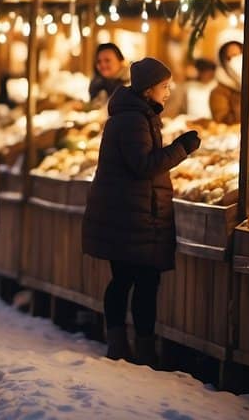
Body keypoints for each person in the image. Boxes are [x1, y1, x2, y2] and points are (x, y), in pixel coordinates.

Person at [83, 58, 200, 367]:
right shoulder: (134, 120)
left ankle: (124, 344)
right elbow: (144, 165)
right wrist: (182, 147)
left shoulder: (135, 115)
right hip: (132, 215)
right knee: (139, 281)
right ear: (149, 89)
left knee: (128, 280)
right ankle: (134, 348)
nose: (169, 90)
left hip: (131, 212)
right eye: (164, 86)